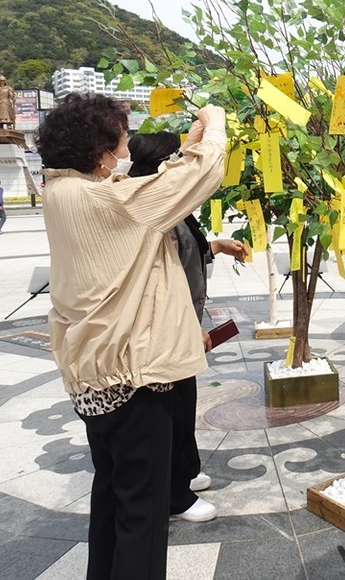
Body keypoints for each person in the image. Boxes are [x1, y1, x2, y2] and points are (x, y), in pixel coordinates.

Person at [36, 94, 227, 579]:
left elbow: (142, 187)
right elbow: (199, 177)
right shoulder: (109, 202)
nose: (126, 152)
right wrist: (214, 124)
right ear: (100, 152)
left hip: (94, 376)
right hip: (132, 378)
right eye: (121, 142)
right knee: (144, 510)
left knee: (113, 495)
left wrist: (184, 146)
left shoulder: (62, 192)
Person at [128, 131, 248, 522]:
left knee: (184, 403)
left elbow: (184, 251)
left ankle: (186, 472)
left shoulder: (170, 203)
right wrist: (185, 326)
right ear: (164, 164)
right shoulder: (150, 208)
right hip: (167, 327)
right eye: (181, 157)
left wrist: (218, 246)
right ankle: (175, 496)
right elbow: (159, 275)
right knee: (170, 409)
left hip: (184, 321)